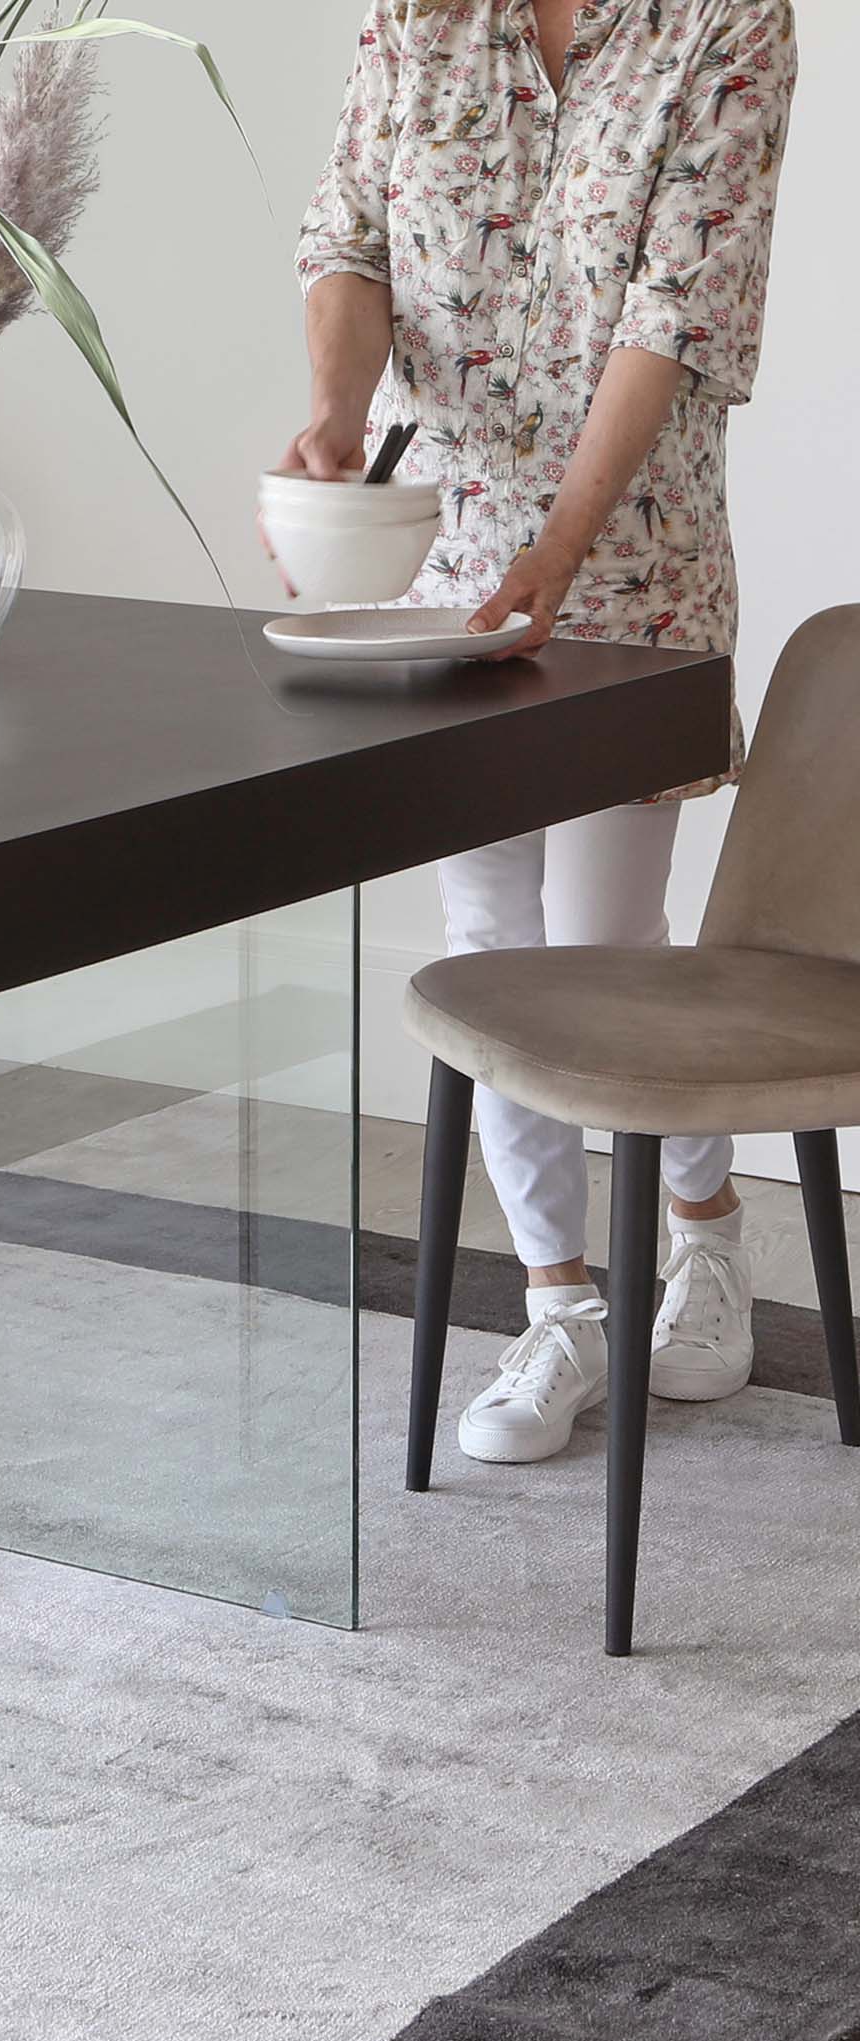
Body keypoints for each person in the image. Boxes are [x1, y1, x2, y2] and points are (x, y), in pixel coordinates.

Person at [282, 0, 797, 1465]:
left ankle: (700, 1231)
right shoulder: (417, 17)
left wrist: (566, 540)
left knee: (602, 938)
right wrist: (333, 411)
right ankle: (560, 1299)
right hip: (439, 559)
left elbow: (678, 309)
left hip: (629, 562)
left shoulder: (727, 24)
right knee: (490, 934)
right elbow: (352, 239)